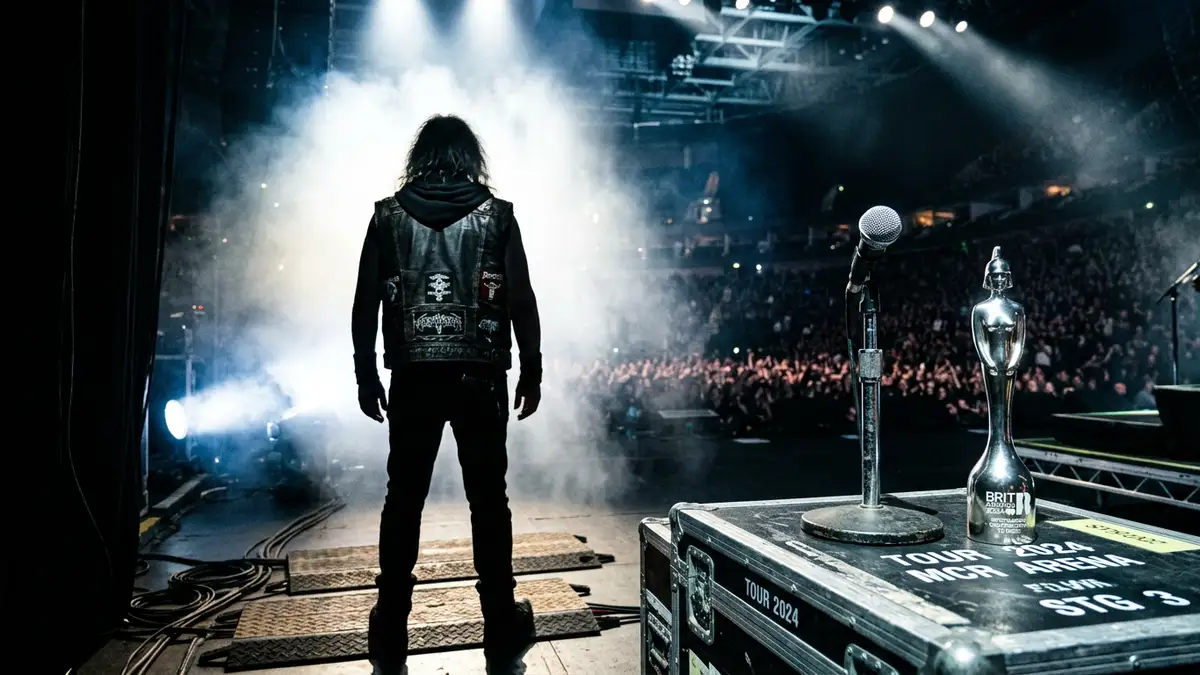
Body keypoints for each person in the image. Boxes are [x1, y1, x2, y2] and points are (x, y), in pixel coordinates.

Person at [351, 115, 542, 674]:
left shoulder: (387, 217)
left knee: (402, 501)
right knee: (489, 502)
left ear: (420, 156)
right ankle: (502, 628)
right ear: (471, 156)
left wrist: (366, 375)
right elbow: (521, 300)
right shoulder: (497, 216)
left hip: (412, 377)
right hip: (481, 376)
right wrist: (532, 367)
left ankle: (389, 633)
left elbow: (365, 303)